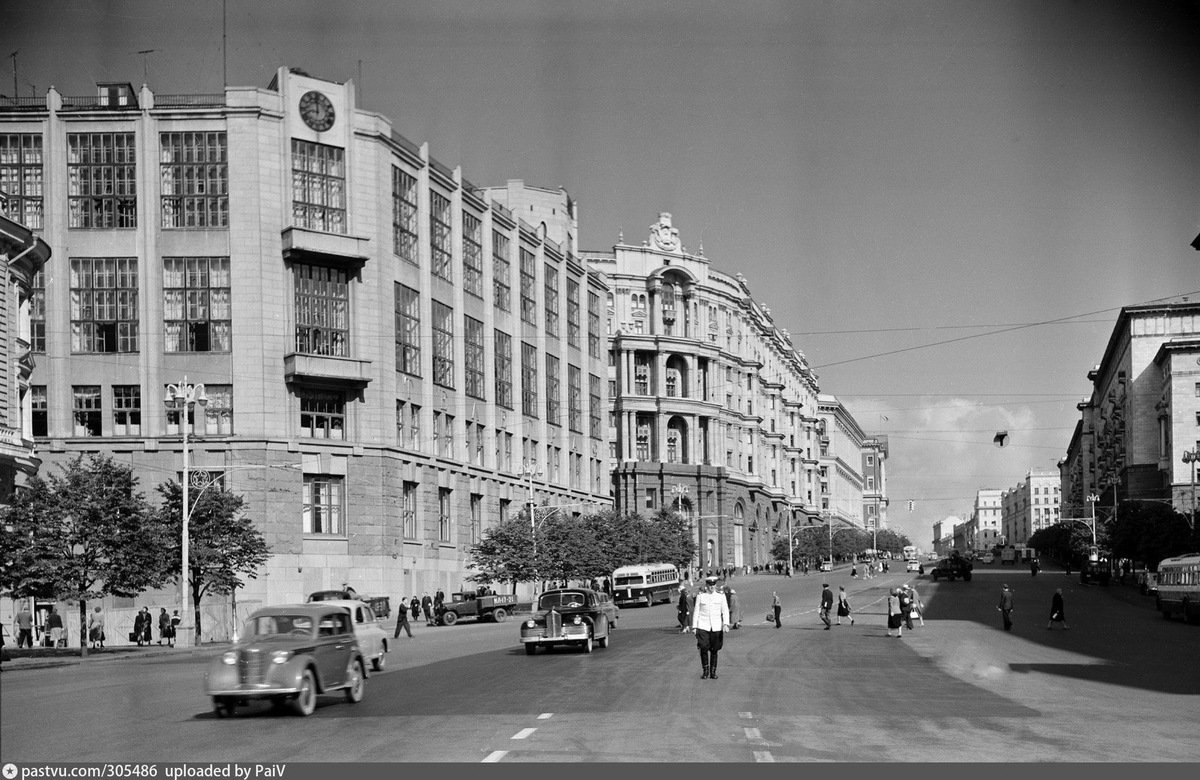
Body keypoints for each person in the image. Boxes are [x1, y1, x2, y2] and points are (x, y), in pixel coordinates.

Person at [691, 576, 730, 680]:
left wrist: (726, 624)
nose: (711, 587)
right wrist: (694, 627)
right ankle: (705, 671)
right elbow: (696, 612)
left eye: (713, 585)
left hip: (716, 627)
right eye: (709, 585)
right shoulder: (701, 596)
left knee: (714, 650)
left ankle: (713, 672)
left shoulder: (720, 596)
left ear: (715, 586)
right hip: (703, 626)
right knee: (703, 648)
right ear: (706, 586)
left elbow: (725, 611)